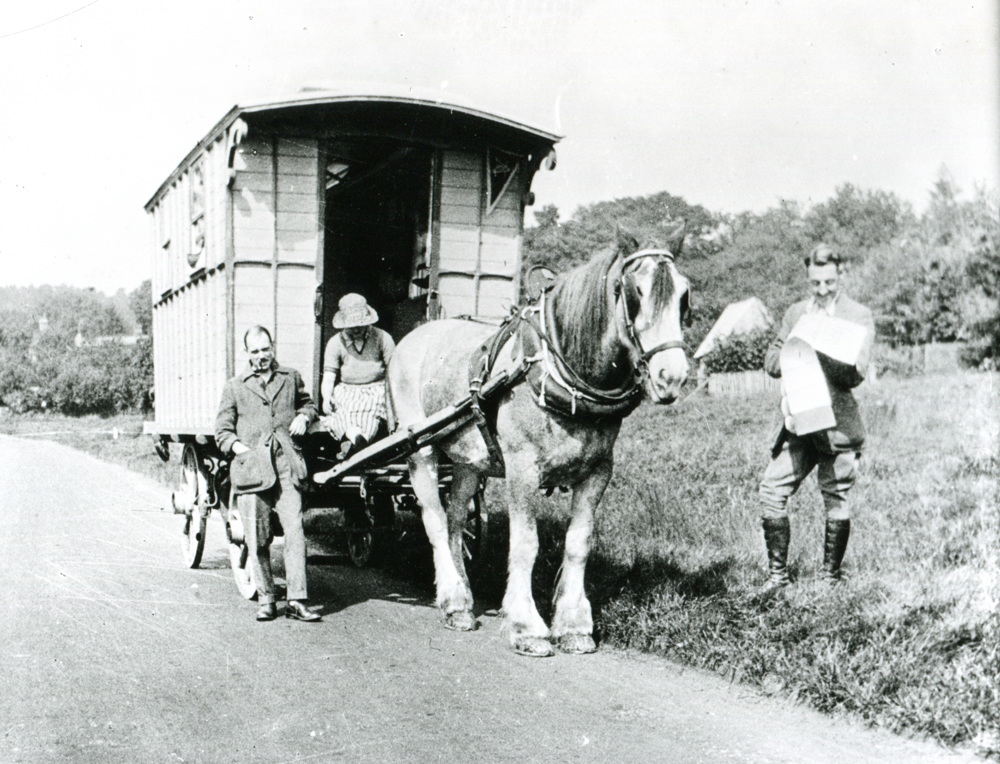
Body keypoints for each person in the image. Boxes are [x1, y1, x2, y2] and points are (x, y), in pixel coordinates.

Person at [758, 244, 875, 589]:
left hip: (838, 427)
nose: (822, 290)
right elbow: (771, 358)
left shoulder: (858, 315)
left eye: (828, 282)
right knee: (771, 489)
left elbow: (856, 374)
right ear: (808, 279)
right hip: (801, 423)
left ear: (841, 275)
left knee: (835, 497)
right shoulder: (796, 313)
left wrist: (825, 349)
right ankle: (777, 578)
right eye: (815, 283)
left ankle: (829, 579)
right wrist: (795, 353)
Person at [215, 325, 321, 622]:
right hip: (252, 471)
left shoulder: (290, 377)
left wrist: (304, 415)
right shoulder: (235, 386)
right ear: (246, 352)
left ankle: (298, 600)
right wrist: (240, 450)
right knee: (257, 538)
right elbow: (221, 431)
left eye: (266, 349)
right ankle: (267, 599)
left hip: (286, 464)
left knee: (295, 531)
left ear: (272, 347)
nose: (262, 356)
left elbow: (308, 404)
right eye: (256, 351)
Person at [320, 293, 395, 458]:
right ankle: (354, 438)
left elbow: (395, 371)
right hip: (347, 389)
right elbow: (329, 375)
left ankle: (358, 443)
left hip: (376, 388)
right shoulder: (335, 342)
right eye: (352, 326)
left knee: (369, 411)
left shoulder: (383, 338)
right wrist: (326, 397)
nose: (356, 329)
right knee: (341, 412)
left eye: (360, 325)